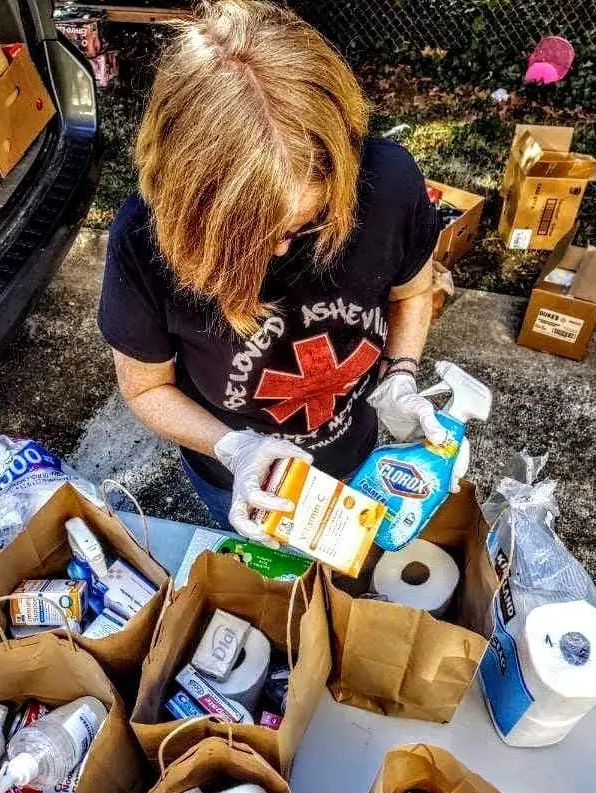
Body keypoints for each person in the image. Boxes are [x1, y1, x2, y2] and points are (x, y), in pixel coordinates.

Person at [98, 0, 449, 546]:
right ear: (189, 203)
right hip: (236, 477)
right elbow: (146, 390)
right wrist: (235, 450)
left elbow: (412, 292)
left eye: (305, 222)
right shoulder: (144, 242)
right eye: (251, 236)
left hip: (357, 452)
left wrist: (400, 372)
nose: (282, 247)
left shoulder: (390, 184)